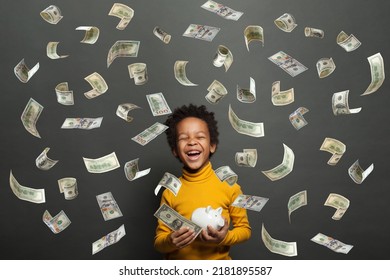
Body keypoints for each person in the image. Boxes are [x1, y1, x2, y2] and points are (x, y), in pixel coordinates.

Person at [154, 104, 251, 259]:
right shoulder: (170, 191)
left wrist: (224, 238)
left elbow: (244, 230)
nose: (192, 142)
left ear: (212, 145)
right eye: (184, 138)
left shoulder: (230, 187)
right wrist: (170, 241)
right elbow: (159, 242)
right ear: (175, 150)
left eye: (199, 137)